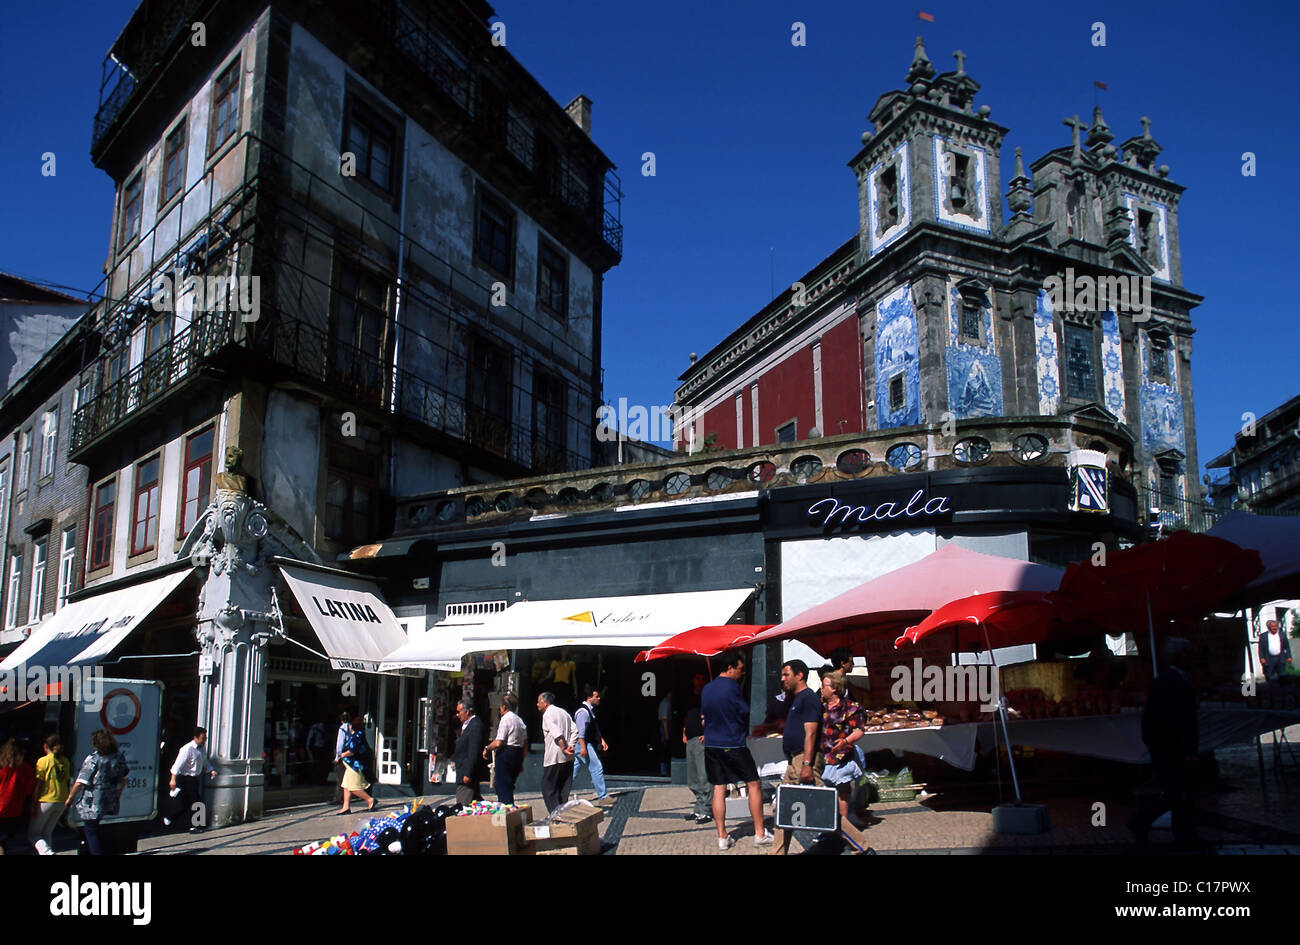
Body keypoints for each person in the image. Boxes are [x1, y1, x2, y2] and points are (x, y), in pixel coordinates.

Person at [1128, 637, 1201, 849]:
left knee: (1179, 794)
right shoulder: (1170, 682)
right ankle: (1141, 821)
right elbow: (1175, 720)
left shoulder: (1171, 680)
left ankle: (1184, 835)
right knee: (1176, 793)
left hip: (1169, 747)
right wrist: (1185, 749)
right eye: (1187, 653)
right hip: (1171, 749)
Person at [701, 650, 772, 850]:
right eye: (740, 669)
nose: (742, 673)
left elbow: (705, 715)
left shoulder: (707, 688)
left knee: (719, 788)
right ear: (730, 668)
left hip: (712, 745)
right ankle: (759, 833)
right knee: (754, 784)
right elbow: (744, 710)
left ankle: (722, 837)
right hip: (733, 744)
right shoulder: (733, 687)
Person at [772, 659, 824, 856]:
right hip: (795, 760)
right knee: (784, 809)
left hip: (804, 758)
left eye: (786, 674)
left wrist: (807, 764)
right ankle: (777, 852)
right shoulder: (796, 699)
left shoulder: (808, 698)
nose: (782, 678)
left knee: (824, 808)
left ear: (799, 675)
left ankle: (861, 846)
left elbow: (811, 733)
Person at [819, 671, 873, 854]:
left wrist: (846, 741)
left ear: (834, 688)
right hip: (823, 756)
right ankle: (830, 828)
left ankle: (843, 830)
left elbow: (860, 730)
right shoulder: (819, 706)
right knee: (826, 794)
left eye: (824, 685)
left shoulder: (851, 707)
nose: (821, 687)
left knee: (842, 793)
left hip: (841, 756)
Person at [64, 730, 128, 856]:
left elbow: (80, 782)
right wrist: (118, 794)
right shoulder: (118, 757)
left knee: (90, 830)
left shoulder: (93, 758)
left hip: (93, 800)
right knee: (95, 827)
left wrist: (70, 798)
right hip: (110, 798)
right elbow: (124, 778)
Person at [482, 694, 528, 805]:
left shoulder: (506, 719)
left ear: (503, 707)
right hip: (517, 753)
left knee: (503, 786)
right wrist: (521, 761)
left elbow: (499, 741)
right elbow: (525, 743)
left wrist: (487, 748)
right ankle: (509, 808)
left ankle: (506, 811)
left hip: (506, 754)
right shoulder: (519, 720)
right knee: (509, 785)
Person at [170, 726, 216, 833]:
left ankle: (170, 818)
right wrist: (173, 779)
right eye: (202, 738)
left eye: (205, 738)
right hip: (186, 778)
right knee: (196, 802)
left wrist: (211, 770)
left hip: (195, 779)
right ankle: (195, 826)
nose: (204, 741)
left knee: (187, 804)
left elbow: (204, 761)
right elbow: (177, 765)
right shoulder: (187, 749)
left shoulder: (202, 748)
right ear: (195, 737)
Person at [29, 734, 70, 854]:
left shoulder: (43, 761)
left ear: (45, 746)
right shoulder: (65, 761)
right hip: (61, 800)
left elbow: (39, 784)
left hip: (46, 800)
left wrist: (33, 802)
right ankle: (47, 851)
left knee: (33, 834)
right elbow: (66, 780)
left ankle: (48, 852)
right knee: (47, 832)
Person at [537, 691, 576, 813]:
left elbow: (556, 733)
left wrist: (564, 747)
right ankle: (563, 813)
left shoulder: (548, 714)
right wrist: (571, 745)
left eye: (539, 702)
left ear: (545, 703)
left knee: (548, 787)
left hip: (554, 757)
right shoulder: (563, 712)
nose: (537, 704)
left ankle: (556, 816)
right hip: (567, 758)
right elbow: (575, 730)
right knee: (563, 788)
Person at [682, 671, 711, 824]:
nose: (699, 681)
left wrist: (708, 732)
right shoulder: (690, 696)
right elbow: (687, 716)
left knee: (703, 776)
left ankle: (706, 810)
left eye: (702, 679)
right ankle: (698, 808)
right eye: (697, 678)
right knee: (692, 778)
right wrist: (684, 732)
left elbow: (712, 714)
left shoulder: (707, 696)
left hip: (701, 738)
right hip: (690, 737)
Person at [573, 685, 609, 801]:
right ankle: (603, 796)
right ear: (589, 698)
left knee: (574, 769)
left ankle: (559, 790)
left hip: (582, 743)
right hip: (582, 744)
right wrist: (583, 748)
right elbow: (580, 733)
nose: (599, 698)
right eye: (596, 696)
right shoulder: (583, 712)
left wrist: (601, 740)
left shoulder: (590, 711)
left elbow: (594, 728)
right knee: (596, 766)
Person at [0, 738, 35, 854]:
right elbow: (29, 790)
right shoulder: (26, 769)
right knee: (7, 834)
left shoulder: (2, 769)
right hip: (15, 808)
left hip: (1, 807)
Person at [451, 699, 488, 805]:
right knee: (474, 802)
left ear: (467, 711)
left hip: (467, 774)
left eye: (459, 712)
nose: (457, 715)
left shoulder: (475, 726)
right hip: (463, 771)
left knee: (464, 804)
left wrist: (468, 773)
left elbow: (473, 751)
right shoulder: (467, 725)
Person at [337, 717, 377, 814]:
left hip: (355, 766)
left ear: (352, 726)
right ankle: (346, 806)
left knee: (353, 788)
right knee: (346, 785)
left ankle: (370, 800)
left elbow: (352, 751)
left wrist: (342, 755)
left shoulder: (357, 736)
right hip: (350, 765)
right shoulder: (357, 735)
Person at [331, 710, 351, 806]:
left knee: (340, 778)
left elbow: (340, 744)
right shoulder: (351, 728)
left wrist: (337, 757)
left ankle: (338, 798)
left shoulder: (342, 729)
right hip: (350, 754)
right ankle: (346, 798)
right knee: (347, 778)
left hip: (343, 755)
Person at [657, 689, 673, 776]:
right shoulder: (666, 702)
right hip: (665, 726)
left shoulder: (665, 702)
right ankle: (664, 771)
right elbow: (664, 719)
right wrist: (666, 733)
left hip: (665, 726)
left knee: (665, 748)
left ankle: (665, 770)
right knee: (664, 748)